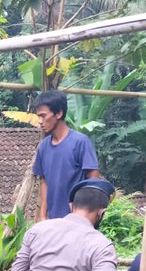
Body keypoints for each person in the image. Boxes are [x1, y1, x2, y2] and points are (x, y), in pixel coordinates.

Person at [32, 90, 101, 221]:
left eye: (43, 116)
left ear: (59, 113)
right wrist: (42, 215)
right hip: (53, 221)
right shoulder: (43, 147)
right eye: (38, 117)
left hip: (77, 221)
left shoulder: (81, 142)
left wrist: (88, 216)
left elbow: (93, 180)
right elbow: (44, 182)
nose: (40, 121)